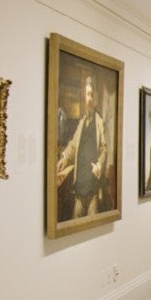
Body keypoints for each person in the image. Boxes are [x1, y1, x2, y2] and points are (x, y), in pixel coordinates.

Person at [57, 76, 108, 218]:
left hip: (93, 191)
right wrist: (64, 158)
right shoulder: (81, 123)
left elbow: (104, 149)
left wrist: (99, 165)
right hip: (79, 190)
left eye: (91, 95)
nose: (89, 98)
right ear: (84, 98)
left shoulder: (99, 122)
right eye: (87, 95)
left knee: (94, 227)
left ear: (95, 98)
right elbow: (73, 145)